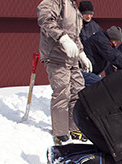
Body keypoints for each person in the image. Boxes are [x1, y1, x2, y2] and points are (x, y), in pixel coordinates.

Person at [37, 0, 93, 145]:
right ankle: (60, 132)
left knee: (78, 92)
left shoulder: (74, 8)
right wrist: (62, 38)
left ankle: (75, 128)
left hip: (72, 58)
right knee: (62, 93)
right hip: (56, 56)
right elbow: (45, 17)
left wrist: (82, 54)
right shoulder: (56, 2)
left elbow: (75, 37)